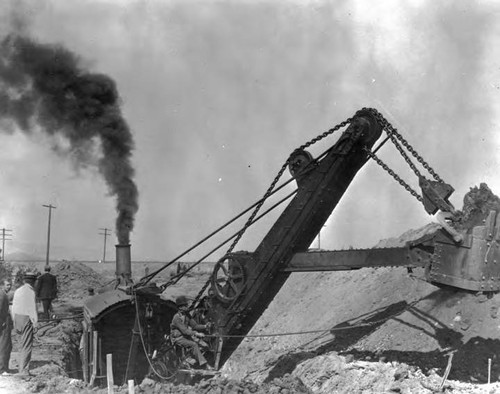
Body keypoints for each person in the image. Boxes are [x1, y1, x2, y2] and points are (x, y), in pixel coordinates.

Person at [170, 295, 213, 370]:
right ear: (180, 307)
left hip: (185, 337)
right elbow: (185, 331)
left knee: (204, 345)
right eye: (185, 305)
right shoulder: (176, 317)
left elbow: (195, 326)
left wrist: (205, 326)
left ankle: (194, 362)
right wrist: (196, 334)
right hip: (178, 338)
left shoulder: (187, 315)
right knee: (193, 345)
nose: (187, 306)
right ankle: (204, 365)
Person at [12, 272, 38, 376]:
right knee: (27, 345)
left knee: (20, 344)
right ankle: (23, 370)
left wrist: (14, 320)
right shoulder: (31, 292)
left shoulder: (18, 290)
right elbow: (32, 308)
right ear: (33, 281)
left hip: (17, 318)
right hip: (26, 318)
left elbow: (13, 307)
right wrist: (35, 323)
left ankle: (21, 367)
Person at [0, 279, 13, 375]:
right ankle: (2, 369)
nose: (9, 287)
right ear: (2, 285)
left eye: (10, 285)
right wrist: (2, 322)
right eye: (7, 285)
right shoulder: (2, 294)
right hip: (4, 323)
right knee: (4, 345)